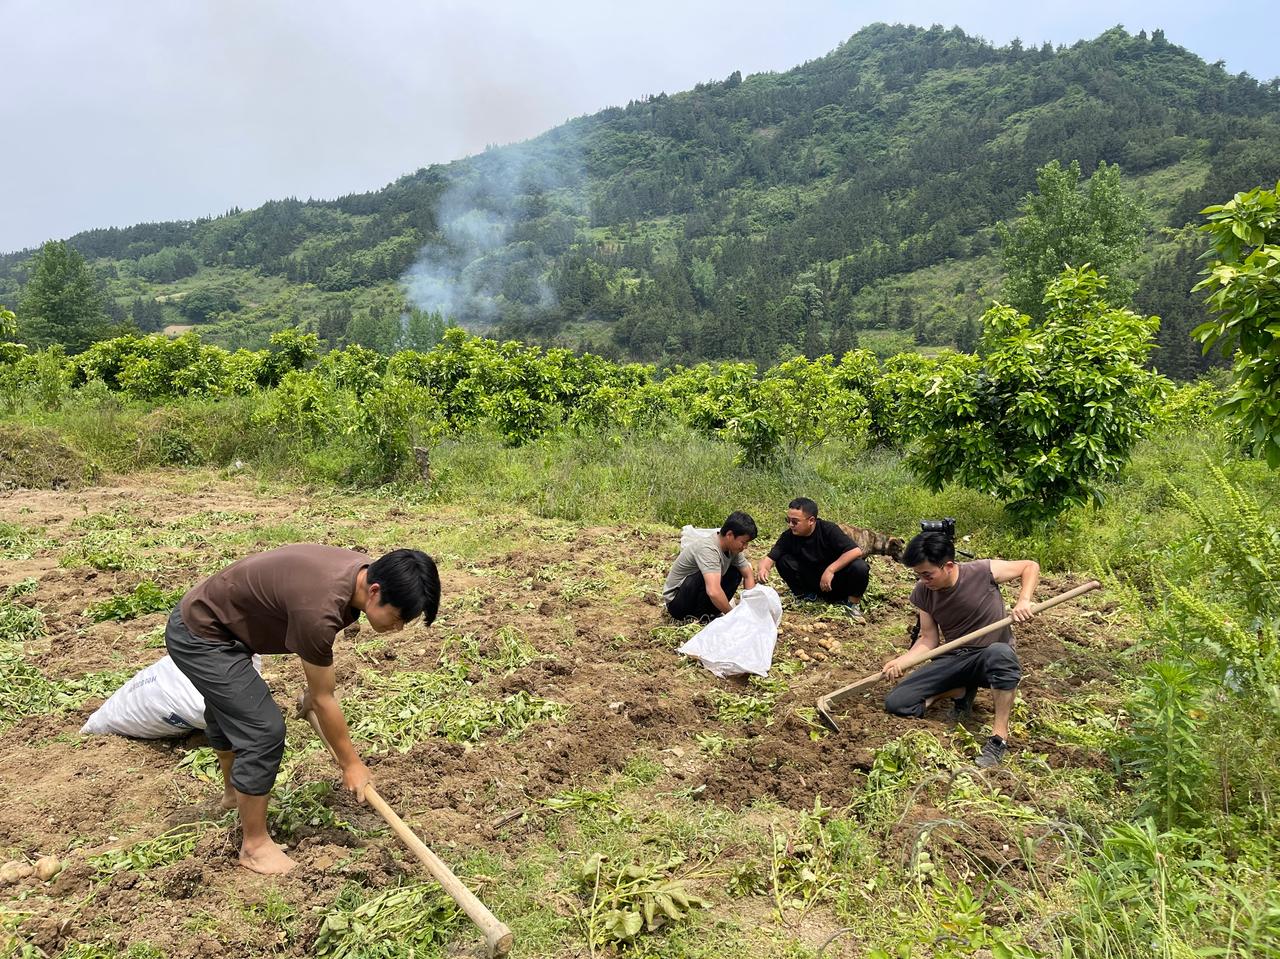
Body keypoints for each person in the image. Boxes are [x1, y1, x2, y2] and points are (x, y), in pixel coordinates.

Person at [165, 544, 440, 875]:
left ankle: (231, 795)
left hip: (225, 623)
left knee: (232, 706)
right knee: (263, 730)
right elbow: (325, 697)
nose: (398, 629)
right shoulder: (321, 607)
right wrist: (351, 764)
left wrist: (316, 695)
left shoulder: (360, 576)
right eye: (397, 618)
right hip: (201, 634)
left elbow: (319, 688)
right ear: (375, 591)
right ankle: (254, 846)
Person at [882, 531, 1039, 769]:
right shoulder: (924, 591)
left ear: (948, 566)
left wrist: (1024, 600)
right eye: (918, 575)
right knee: (898, 703)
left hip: (990, 658)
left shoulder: (982, 571)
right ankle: (959, 691)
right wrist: (903, 661)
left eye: (927, 574)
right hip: (957, 657)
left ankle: (998, 738)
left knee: (1001, 654)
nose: (923, 581)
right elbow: (928, 638)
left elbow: (1030, 566)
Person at [756, 497, 869, 621]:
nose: (790, 525)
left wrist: (830, 570)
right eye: (788, 520)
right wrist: (763, 569)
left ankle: (851, 605)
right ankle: (806, 596)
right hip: (813, 582)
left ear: (811, 520)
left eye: (795, 522)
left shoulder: (828, 530)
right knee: (783, 560)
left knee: (860, 567)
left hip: (836, 581)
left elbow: (855, 551)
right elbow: (769, 559)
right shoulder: (788, 536)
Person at [663, 512, 758, 620]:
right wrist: (733, 616)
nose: (745, 547)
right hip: (678, 604)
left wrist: (750, 607)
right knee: (706, 576)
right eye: (743, 542)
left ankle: (708, 614)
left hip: (697, 596)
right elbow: (713, 591)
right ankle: (697, 617)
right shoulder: (708, 549)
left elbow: (748, 574)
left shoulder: (733, 550)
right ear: (729, 535)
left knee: (735, 572)